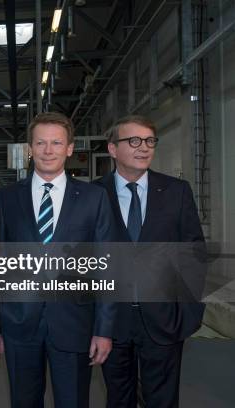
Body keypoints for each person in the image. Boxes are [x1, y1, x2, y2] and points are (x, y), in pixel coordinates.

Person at [0, 112, 116, 408]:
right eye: (41, 143)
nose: (48, 150)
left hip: (75, 323)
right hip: (19, 324)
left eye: (56, 143)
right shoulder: (7, 197)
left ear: (70, 148)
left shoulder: (94, 197)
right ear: (30, 148)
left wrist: (104, 329)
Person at [95, 115, 205, 408]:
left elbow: (194, 251)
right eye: (133, 141)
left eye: (149, 141)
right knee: (118, 399)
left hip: (164, 320)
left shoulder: (176, 191)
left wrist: (187, 311)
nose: (143, 148)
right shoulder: (93, 195)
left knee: (163, 401)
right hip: (112, 322)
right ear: (112, 149)